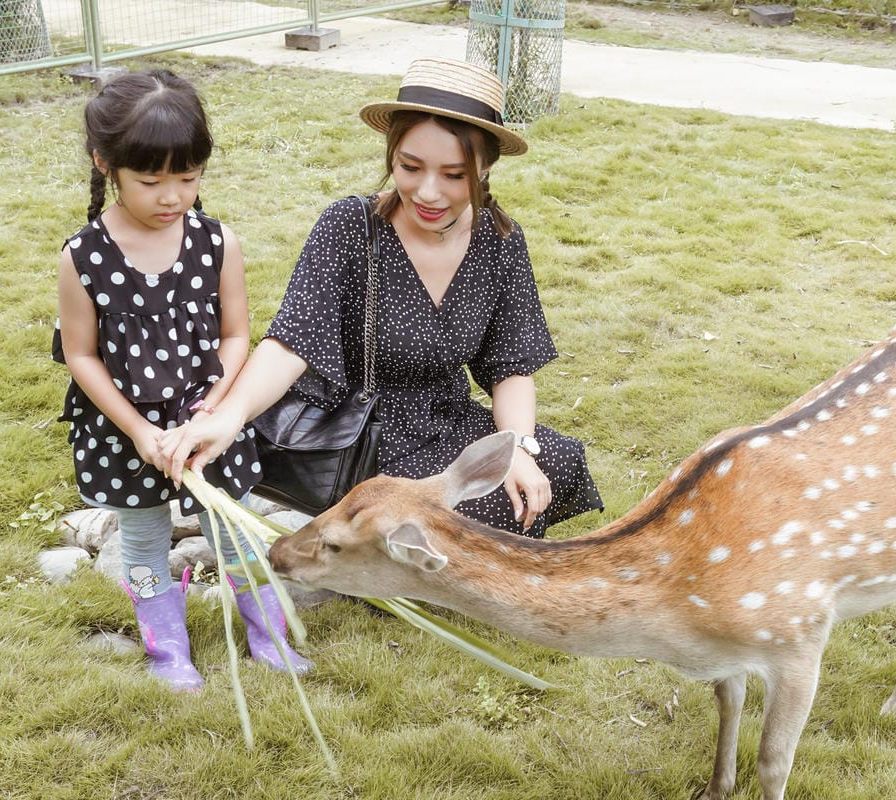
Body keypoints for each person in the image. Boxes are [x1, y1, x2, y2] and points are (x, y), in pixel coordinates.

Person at [161, 57, 602, 537]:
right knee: (467, 517)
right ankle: (369, 548)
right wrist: (230, 417)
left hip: (442, 419)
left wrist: (514, 447)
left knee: (552, 463)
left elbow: (511, 366)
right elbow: (293, 342)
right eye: (410, 167)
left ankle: (388, 547)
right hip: (361, 430)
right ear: (392, 154)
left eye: (454, 175)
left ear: (486, 166)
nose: (428, 193)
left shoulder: (500, 242)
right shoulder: (350, 227)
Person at [53, 69, 311, 691]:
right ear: (105, 164)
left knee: (236, 527)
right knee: (143, 537)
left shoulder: (217, 242)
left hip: (207, 421)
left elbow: (235, 337)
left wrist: (211, 413)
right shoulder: (83, 256)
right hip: (127, 431)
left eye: (188, 178)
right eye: (151, 180)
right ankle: (167, 648)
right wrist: (141, 431)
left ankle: (266, 632)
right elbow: (82, 357)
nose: (172, 196)